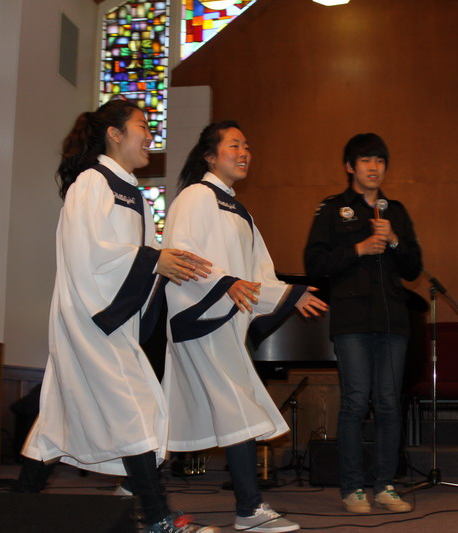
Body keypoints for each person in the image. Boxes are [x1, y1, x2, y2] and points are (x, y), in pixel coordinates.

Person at [20, 99, 218, 533]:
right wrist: (154, 260)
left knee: (57, 420)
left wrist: (165, 264)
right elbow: (87, 252)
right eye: (143, 126)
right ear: (114, 133)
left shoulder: (135, 194)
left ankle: (15, 509)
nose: (150, 136)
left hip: (116, 320)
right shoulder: (92, 183)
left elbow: (142, 256)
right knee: (137, 409)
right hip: (91, 317)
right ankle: (159, 518)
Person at [162, 121, 328, 533]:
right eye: (234, 145)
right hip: (201, 320)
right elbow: (181, 255)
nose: (244, 153)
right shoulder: (195, 196)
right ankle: (249, 509)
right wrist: (225, 283)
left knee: (174, 414)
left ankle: (132, 486)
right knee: (238, 411)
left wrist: (289, 295)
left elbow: (257, 274)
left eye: (247, 146)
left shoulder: (238, 210)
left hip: (225, 327)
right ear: (210, 155)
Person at [304, 133, 422, 513]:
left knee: (388, 404)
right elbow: (314, 264)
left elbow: (414, 268)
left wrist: (396, 241)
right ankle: (353, 488)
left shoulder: (395, 211)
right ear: (350, 166)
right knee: (355, 402)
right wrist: (358, 249)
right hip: (352, 319)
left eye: (380, 161)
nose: (374, 167)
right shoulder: (332, 209)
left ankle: (386, 485)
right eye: (366, 161)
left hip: (393, 319)